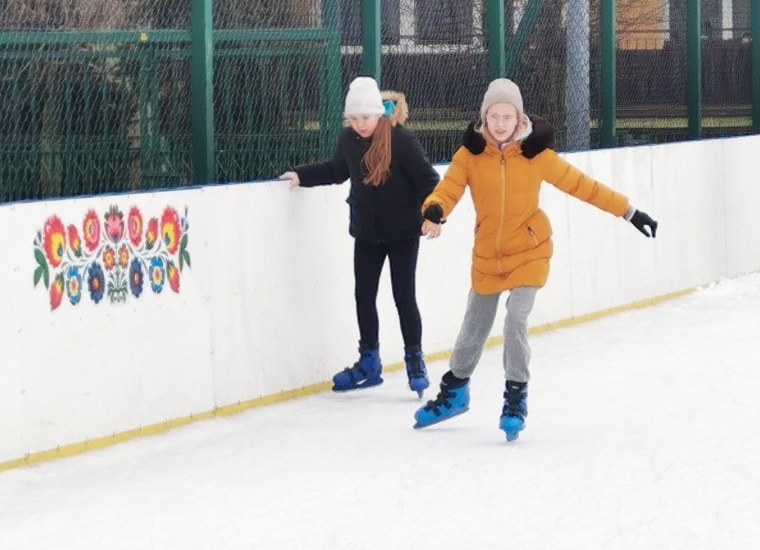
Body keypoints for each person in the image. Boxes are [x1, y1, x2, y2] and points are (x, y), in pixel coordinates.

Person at [414, 78, 658, 441]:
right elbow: (449, 188)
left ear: (519, 118)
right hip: (488, 256)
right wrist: (434, 210)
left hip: (530, 252)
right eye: (493, 116)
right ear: (484, 118)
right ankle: (454, 392)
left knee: (515, 318)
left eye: (507, 116)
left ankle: (515, 396)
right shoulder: (469, 156)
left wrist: (629, 211)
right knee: (472, 330)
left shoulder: (536, 156)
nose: (500, 123)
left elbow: (582, 185)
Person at [281, 77, 440, 396]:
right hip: (367, 233)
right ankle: (369, 361)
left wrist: (433, 215)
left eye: (364, 117)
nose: (359, 124)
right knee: (363, 296)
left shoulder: (400, 140)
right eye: (353, 118)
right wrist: (301, 174)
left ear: (378, 113)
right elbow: (337, 171)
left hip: (402, 233)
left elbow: (428, 179)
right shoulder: (349, 139)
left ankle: (415, 360)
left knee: (403, 297)